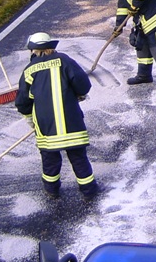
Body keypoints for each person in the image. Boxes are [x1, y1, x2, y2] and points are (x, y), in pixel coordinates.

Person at [15, 32, 99, 199]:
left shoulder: (29, 70)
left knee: (50, 159)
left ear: (33, 50)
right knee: (78, 157)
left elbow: (23, 101)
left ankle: (52, 190)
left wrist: (30, 119)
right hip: (71, 121)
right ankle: (89, 190)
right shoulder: (64, 60)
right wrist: (78, 94)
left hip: (46, 125)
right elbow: (83, 84)